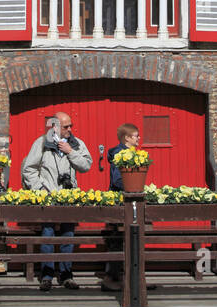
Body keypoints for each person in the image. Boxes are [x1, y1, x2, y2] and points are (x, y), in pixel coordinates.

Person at [21, 111, 92, 291]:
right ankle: (47, 276)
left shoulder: (76, 144)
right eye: (66, 126)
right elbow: (29, 169)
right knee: (48, 235)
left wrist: (71, 152)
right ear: (55, 126)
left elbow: (86, 166)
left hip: (69, 196)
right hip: (48, 197)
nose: (70, 129)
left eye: (71, 125)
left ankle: (66, 275)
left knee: (68, 235)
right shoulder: (42, 143)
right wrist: (40, 190)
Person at [101, 122, 140, 292]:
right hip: (120, 201)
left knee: (127, 238)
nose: (139, 138)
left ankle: (129, 277)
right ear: (127, 138)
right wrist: (135, 186)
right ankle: (112, 277)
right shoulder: (120, 154)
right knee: (117, 238)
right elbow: (118, 180)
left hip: (127, 202)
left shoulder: (130, 153)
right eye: (136, 135)